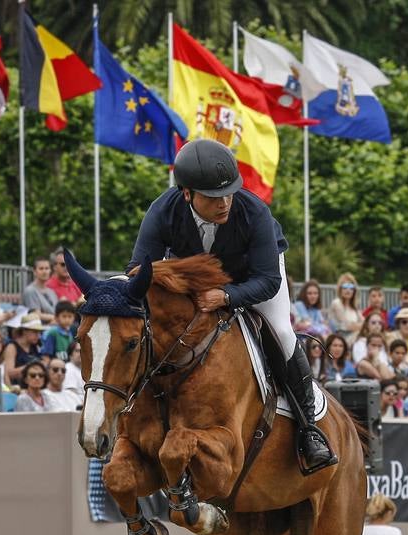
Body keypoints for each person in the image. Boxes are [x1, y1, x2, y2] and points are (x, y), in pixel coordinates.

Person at [129, 138, 336, 472]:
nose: (224, 203)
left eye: (229, 193)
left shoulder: (255, 212)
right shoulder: (163, 211)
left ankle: (309, 429)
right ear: (187, 194)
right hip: (196, 279)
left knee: (282, 332)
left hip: (253, 276)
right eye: (213, 197)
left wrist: (226, 296)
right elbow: (138, 271)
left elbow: (268, 281)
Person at [3, 312, 48, 386]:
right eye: (34, 332)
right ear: (24, 331)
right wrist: (31, 367)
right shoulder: (12, 347)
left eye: (39, 332)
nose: (38, 335)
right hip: (18, 387)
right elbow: (8, 373)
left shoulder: (36, 345)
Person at [327, 273, 364, 338]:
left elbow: (365, 323)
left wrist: (357, 326)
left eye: (351, 287)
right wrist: (359, 326)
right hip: (340, 338)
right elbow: (347, 325)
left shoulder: (355, 307)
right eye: (345, 286)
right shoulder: (337, 303)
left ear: (354, 290)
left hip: (354, 336)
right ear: (340, 289)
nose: (348, 290)